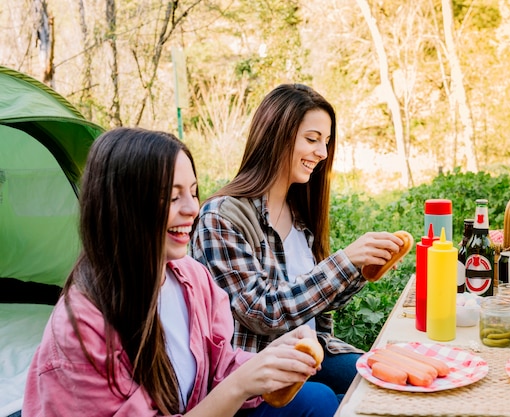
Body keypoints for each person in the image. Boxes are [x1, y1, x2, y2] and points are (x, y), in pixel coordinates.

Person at [22, 127, 338, 417]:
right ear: (123, 206)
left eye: (193, 191)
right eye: (172, 197)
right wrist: (238, 385)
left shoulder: (192, 279)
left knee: (319, 400)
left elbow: (221, 365)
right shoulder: (78, 331)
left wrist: (268, 360)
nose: (192, 209)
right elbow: (230, 383)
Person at [190, 84, 405, 396]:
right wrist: (343, 263)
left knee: (385, 382)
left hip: (312, 354)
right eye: (312, 139)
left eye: (327, 141)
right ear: (276, 136)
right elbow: (263, 312)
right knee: (333, 400)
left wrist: (362, 268)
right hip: (257, 374)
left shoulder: (299, 212)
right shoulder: (221, 217)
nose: (323, 152)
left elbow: (311, 305)